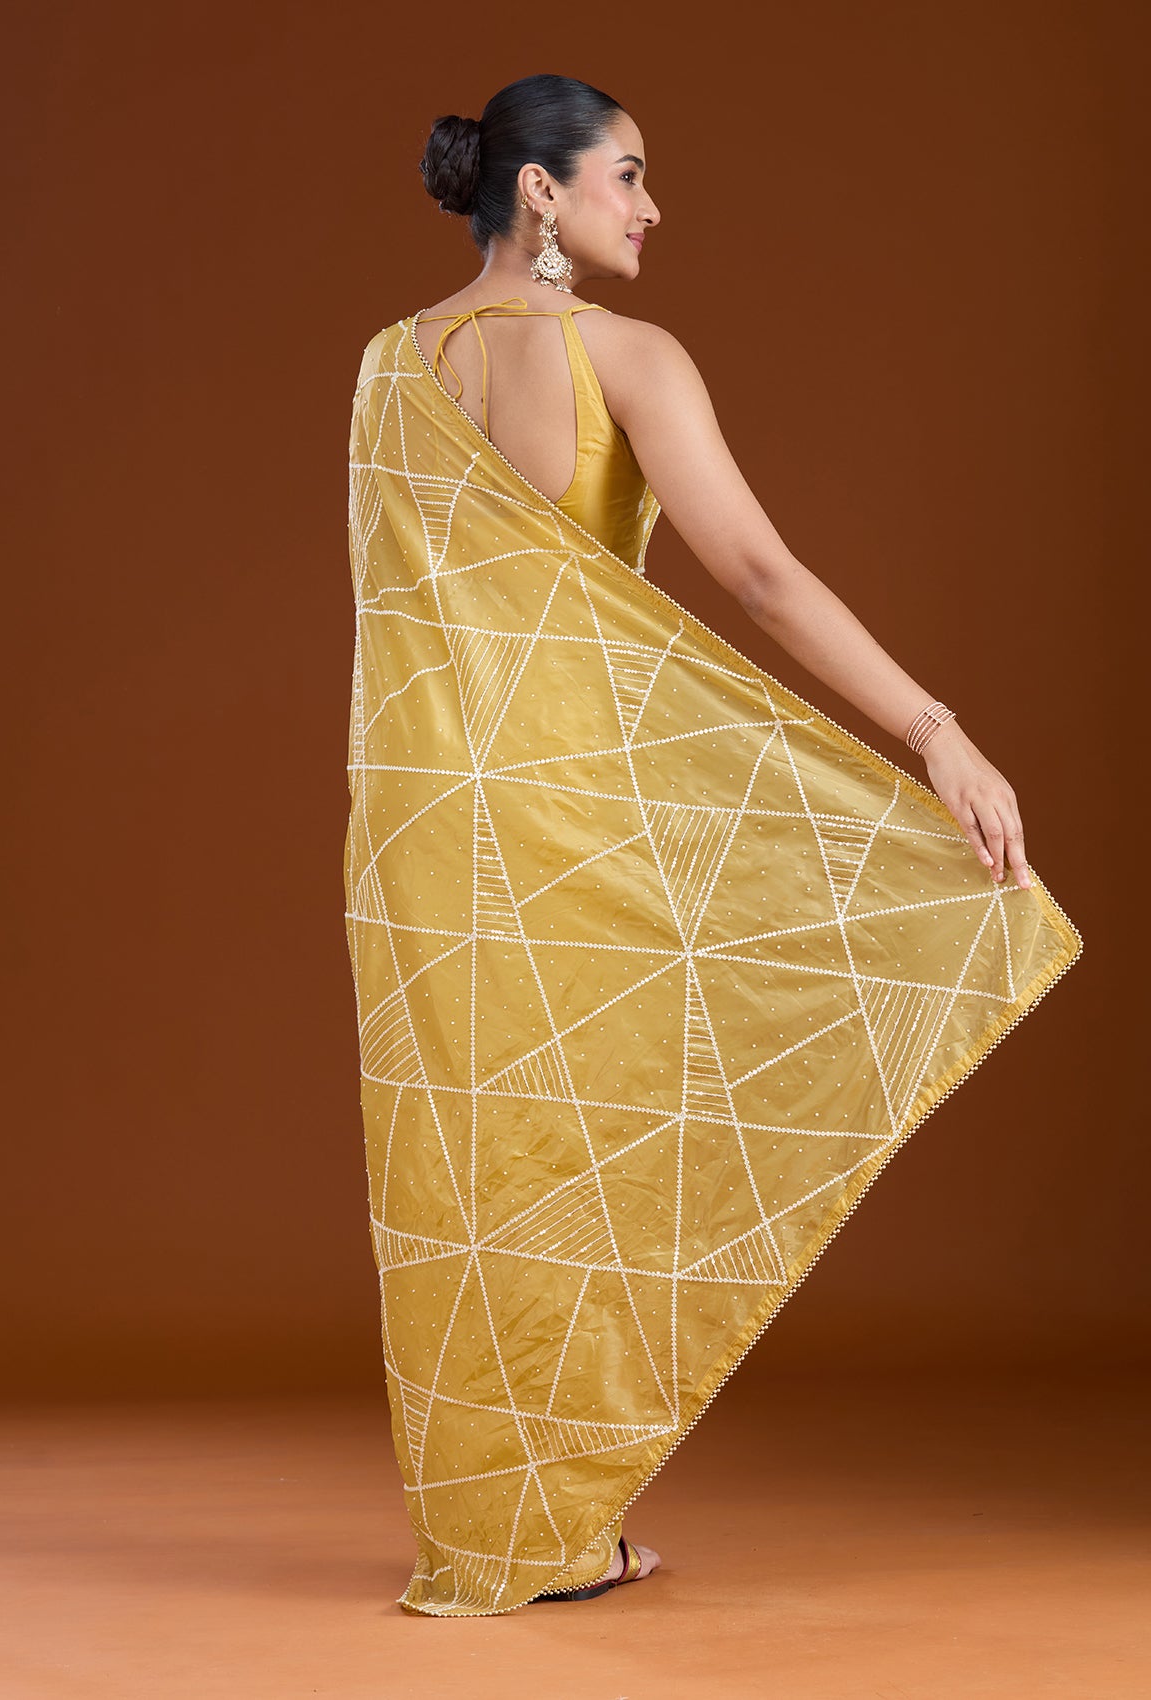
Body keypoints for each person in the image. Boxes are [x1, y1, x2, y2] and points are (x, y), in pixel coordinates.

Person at [342, 72, 1081, 1618]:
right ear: (539, 190)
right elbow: (756, 573)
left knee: (485, 1158)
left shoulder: (384, 368)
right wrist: (936, 735)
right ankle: (543, 1523)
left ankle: (505, 1530)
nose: (651, 206)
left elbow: (399, 625)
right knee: (593, 1143)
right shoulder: (626, 356)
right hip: (581, 808)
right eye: (626, 174)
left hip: (425, 818)